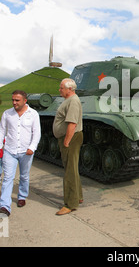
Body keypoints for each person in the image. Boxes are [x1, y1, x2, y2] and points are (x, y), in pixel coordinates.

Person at [0, 90, 41, 216]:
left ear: (25, 101)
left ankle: (22, 196)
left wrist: (32, 147)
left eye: (17, 100)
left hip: (26, 152)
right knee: (8, 177)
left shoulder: (33, 114)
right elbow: (1, 131)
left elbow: (36, 133)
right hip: (10, 150)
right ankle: (5, 206)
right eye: (13, 100)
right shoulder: (7, 114)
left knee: (24, 176)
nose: (14, 102)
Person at [53, 78, 84, 216]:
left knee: (69, 171)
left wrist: (66, 141)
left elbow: (72, 123)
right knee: (72, 168)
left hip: (71, 138)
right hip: (70, 137)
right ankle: (77, 196)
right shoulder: (70, 100)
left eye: (61, 88)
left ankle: (70, 204)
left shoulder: (73, 101)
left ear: (69, 89)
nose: (59, 90)